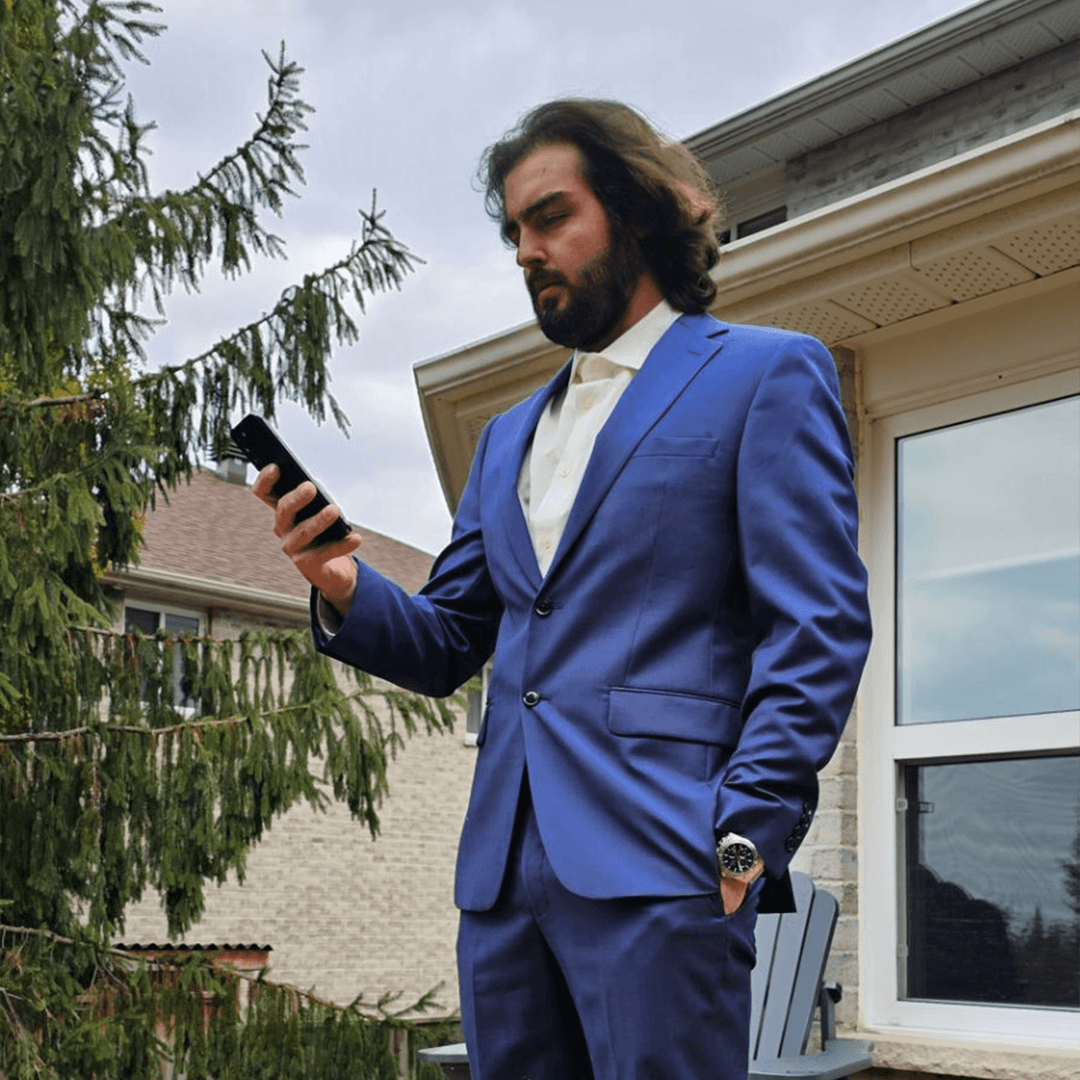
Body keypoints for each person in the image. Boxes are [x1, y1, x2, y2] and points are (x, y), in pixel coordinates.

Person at [255, 99, 872, 1080]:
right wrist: (341, 583)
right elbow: (454, 639)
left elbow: (819, 628)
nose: (525, 251)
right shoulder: (506, 439)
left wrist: (744, 838)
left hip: (665, 867)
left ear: (635, 214)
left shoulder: (765, 376)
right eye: (513, 233)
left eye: (550, 219)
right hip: (503, 885)